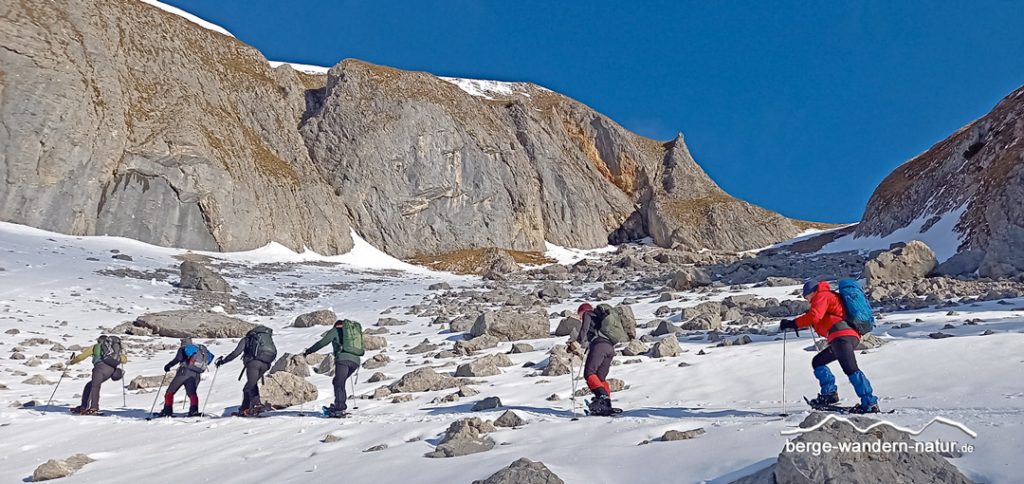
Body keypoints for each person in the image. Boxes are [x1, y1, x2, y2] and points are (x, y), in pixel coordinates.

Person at [781, 280, 880, 414]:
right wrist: (804, 321)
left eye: (807, 297)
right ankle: (829, 395)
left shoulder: (822, 295)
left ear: (812, 292)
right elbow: (819, 318)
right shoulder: (827, 297)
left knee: (851, 369)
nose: (808, 300)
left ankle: (869, 403)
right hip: (842, 338)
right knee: (818, 362)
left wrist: (794, 323)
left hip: (842, 336)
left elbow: (815, 316)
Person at [302, 319, 363, 418]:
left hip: (343, 360)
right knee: (338, 382)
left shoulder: (335, 331)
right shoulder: (351, 335)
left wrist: (309, 351)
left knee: (339, 383)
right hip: (356, 362)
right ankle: (340, 405)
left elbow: (322, 342)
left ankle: (339, 408)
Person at [568, 303, 621, 416]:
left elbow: (584, 329)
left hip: (599, 346)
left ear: (583, 311)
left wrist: (576, 342)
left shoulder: (588, 314)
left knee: (589, 373)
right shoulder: (599, 320)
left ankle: (602, 399)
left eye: (579, 315)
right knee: (600, 377)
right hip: (610, 348)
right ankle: (607, 404)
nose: (580, 317)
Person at [215, 325, 278, 417]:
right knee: (247, 387)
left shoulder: (247, 339)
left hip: (253, 364)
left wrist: (223, 361)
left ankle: (256, 405)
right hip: (266, 364)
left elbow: (236, 353)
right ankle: (245, 409)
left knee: (251, 385)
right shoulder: (265, 340)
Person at [68, 335, 127, 415]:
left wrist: (71, 362)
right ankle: (85, 406)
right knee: (90, 385)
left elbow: (81, 357)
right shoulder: (112, 351)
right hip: (111, 371)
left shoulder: (96, 347)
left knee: (95, 387)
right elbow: (124, 360)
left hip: (99, 369)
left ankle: (93, 408)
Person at [157, 338, 214, 417]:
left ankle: (167, 412)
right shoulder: (199, 350)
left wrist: (168, 366)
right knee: (192, 393)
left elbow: (178, 359)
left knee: (170, 391)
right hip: (196, 374)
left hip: (184, 373)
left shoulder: (184, 348)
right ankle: (194, 411)